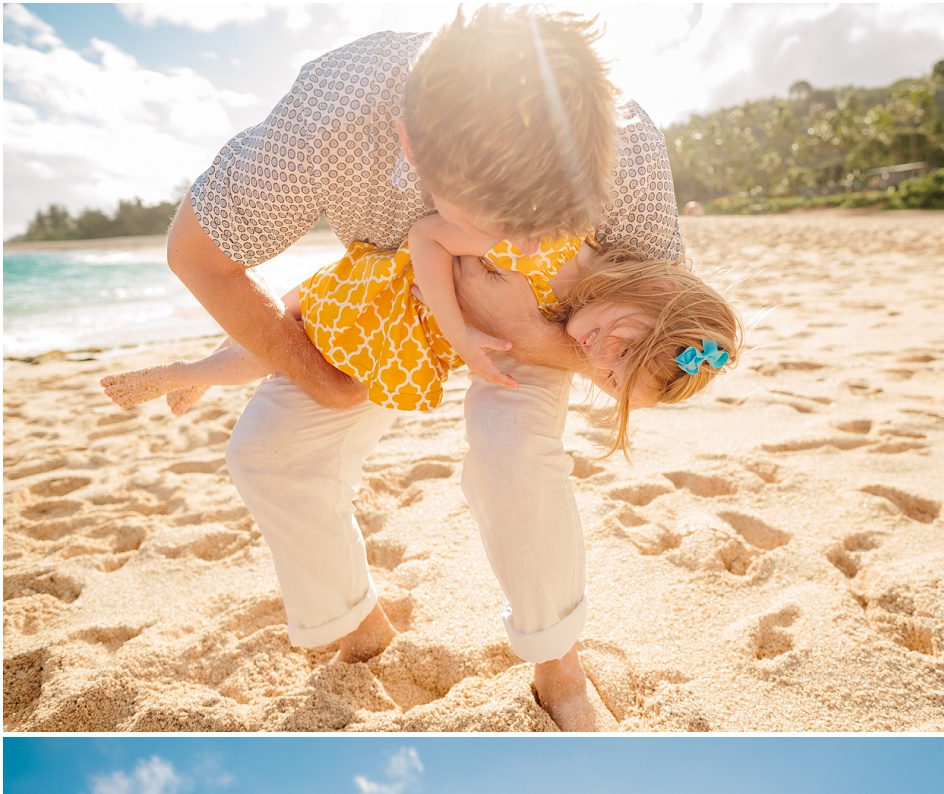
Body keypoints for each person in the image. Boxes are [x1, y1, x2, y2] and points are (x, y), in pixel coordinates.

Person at [142, 7, 690, 730]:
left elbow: (654, 350)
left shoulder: (628, 144)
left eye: (547, 220)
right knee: (267, 454)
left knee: (511, 454)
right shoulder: (330, 118)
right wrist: (321, 378)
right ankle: (361, 630)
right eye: (499, 223)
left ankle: (559, 667)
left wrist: (523, 329)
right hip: (394, 303)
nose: (519, 245)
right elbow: (197, 257)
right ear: (409, 145)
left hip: (551, 322)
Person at [101, 239, 740, 463]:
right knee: (286, 342)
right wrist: (463, 332)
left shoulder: (592, 303)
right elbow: (448, 247)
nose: (598, 356)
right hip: (396, 303)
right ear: (655, 290)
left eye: (609, 375)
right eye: (623, 346)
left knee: (289, 328)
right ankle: (188, 372)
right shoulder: (560, 253)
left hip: (399, 310)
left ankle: (201, 375)